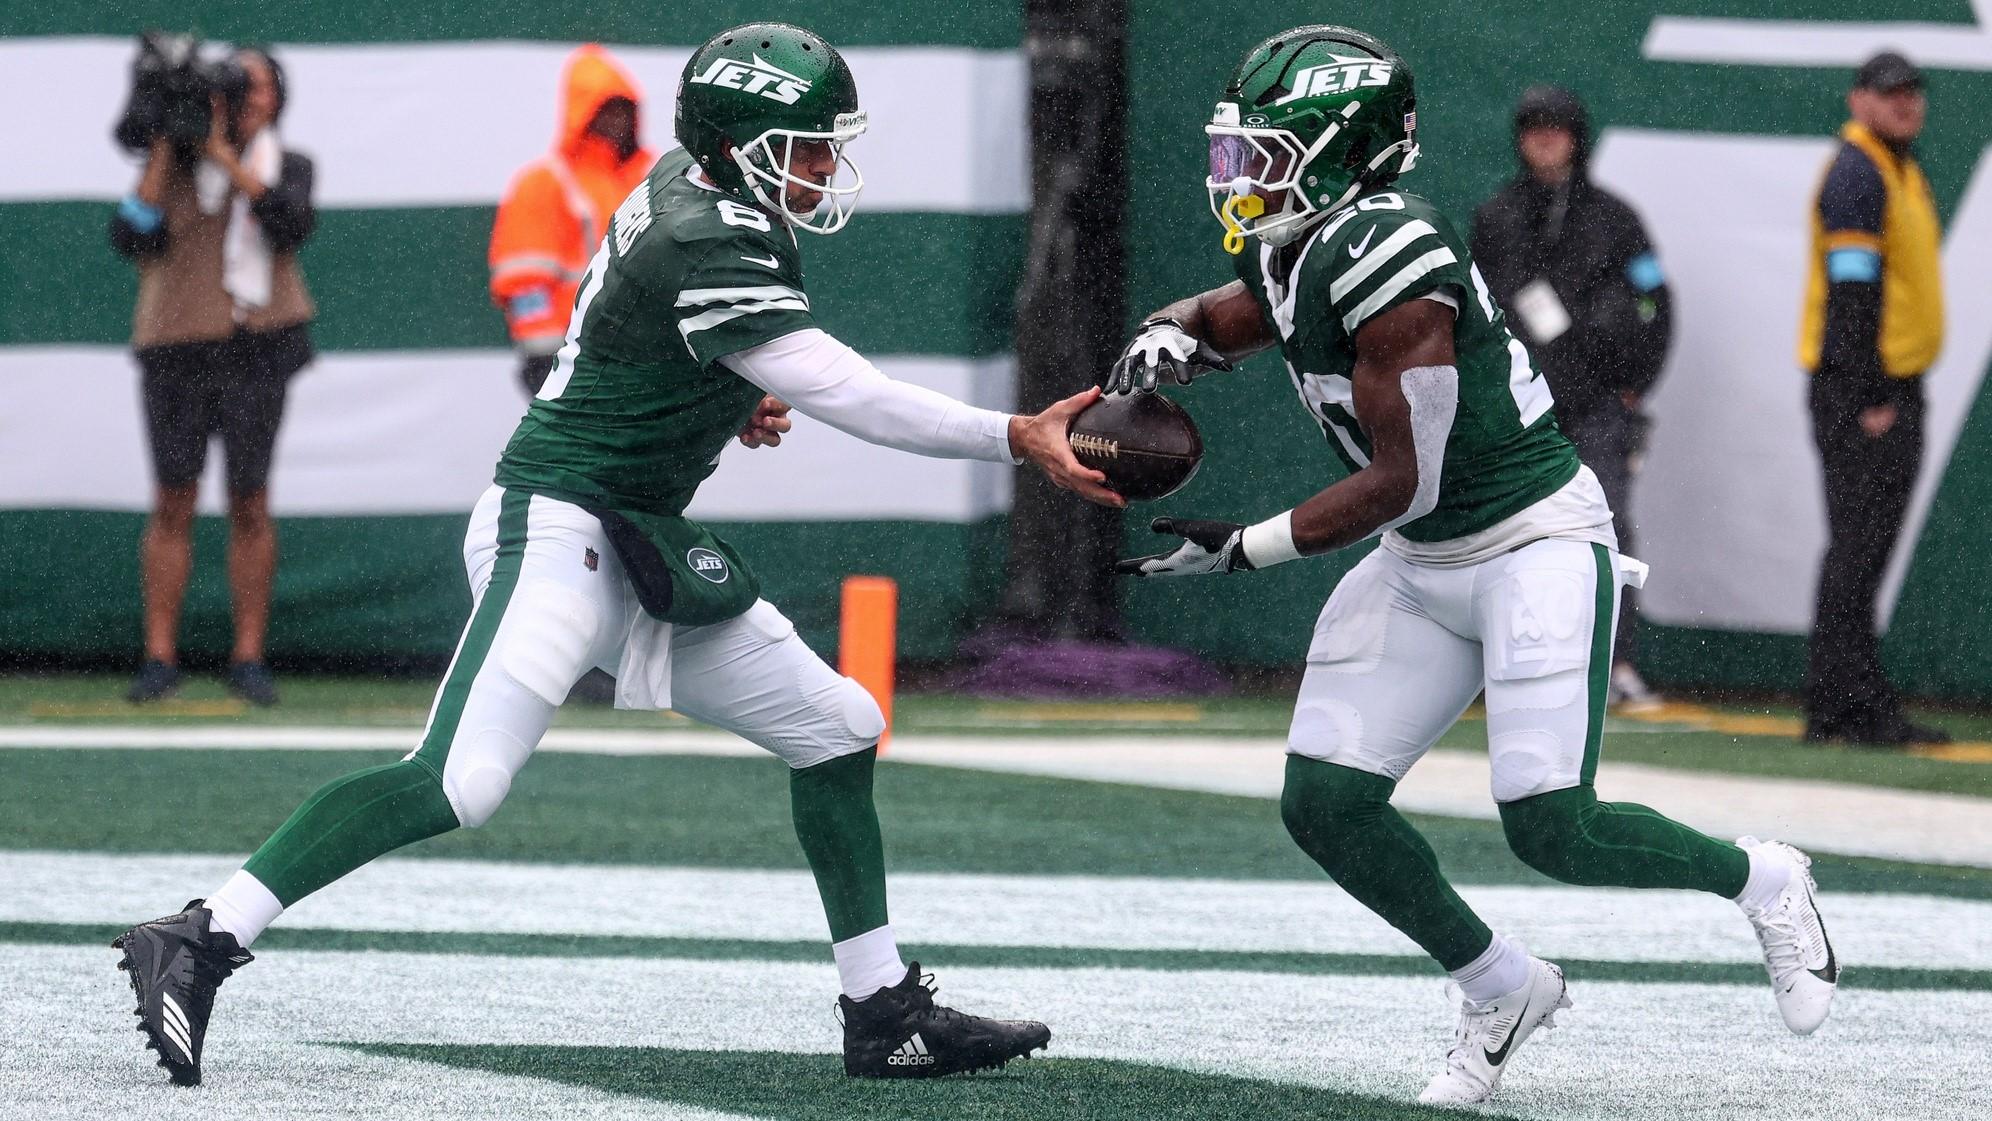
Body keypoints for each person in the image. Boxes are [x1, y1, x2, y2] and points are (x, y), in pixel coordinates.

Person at [112, 23, 1114, 1088]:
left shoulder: (699, 183)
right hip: (557, 524)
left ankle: (881, 1010)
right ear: (742, 143)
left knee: (837, 727)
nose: (825, 167)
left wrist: (728, 393)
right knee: (460, 779)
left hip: (637, 533)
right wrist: (1016, 433)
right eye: (808, 145)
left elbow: (644, 338)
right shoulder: (704, 227)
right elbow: (850, 392)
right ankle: (199, 932)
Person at [1106, 26, 1836, 1107]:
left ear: (1343, 152)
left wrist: (1245, 546)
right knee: (1324, 803)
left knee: (1553, 824)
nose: (1242, 176)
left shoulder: (1400, 258)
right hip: (1426, 554)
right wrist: (1171, 335)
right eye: (1239, 153)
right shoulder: (1307, 240)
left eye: (1265, 152)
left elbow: (1402, 478)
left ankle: (1766, 876)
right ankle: (1501, 985)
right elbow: (1249, 310)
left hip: (1528, 536)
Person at [111, 47, 315, 707]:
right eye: (232, 87)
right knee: (173, 498)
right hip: (175, 344)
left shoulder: (289, 164)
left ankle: (249, 654)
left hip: (258, 343)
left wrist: (228, 160)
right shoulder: (169, 162)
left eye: (254, 87)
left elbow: (289, 225)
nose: (243, 98)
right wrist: (173, 146)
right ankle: (159, 653)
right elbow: (131, 235)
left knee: (250, 500)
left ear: (276, 98)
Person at [1469, 84, 1672, 710]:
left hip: (1599, 410)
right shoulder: (1495, 219)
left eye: (1557, 127)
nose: (1546, 138)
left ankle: (1613, 667)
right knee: (1503, 533)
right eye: (1534, 128)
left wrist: (1637, 383)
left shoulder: (1618, 219)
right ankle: (1499, 669)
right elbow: (1469, 313)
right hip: (1518, 413)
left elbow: (1657, 302)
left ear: (1577, 135)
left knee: (1604, 533)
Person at [1798, 52, 1948, 748]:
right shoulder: (1860, 172)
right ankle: (1846, 705)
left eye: (1912, 94)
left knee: (1862, 549)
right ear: (1859, 100)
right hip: (1865, 389)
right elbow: (1853, 292)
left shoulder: (1896, 167)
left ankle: (1844, 701)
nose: (1905, 104)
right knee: (1858, 549)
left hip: (1878, 384)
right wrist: (1872, 393)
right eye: (1890, 94)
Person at [490, 44, 657, 395]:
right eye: (606, 110)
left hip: (644, 354)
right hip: (570, 355)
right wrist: (547, 358)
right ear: (583, 113)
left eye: (623, 110)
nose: (617, 121)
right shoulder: (545, 183)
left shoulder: (651, 178)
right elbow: (522, 278)